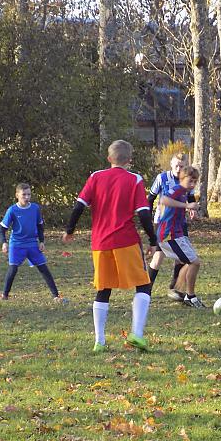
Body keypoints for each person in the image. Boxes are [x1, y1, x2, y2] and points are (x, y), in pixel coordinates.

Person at [62, 140, 158, 353]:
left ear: (109, 159)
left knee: (103, 289)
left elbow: (79, 205)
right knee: (143, 284)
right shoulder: (134, 179)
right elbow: (143, 213)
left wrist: (70, 230)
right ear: (129, 160)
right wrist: (153, 240)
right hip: (126, 241)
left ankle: (100, 341)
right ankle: (137, 335)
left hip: (100, 243)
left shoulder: (96, 177)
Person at [0, 183, 63, 301]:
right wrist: (4, 242)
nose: (26, 197)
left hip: (32, 244)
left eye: (28, 194)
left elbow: (40, 226)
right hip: (17, 244)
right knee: (13, 269)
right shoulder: (12, 210)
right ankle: (5, 295)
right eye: (24, 195)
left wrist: (42, 241)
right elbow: (2, 229)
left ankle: (56, 296)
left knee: (44, 269)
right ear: (17, 195)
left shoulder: (35, 208)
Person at [147, 153, 197, 301]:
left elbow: (190, 198)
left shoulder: (187, 180)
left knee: (181, 257)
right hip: (163, 223)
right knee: (158, 256)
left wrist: (192, 209)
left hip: (180, 224)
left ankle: (175, 288)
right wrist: (149, 219)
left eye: (181, 166)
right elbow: (151, 198)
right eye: (176, 165)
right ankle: (147, 290)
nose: (178, 168)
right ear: (171, 164)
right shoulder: (162, 178)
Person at [155, 166, 204, 307]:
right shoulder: (177, 190)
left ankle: (182, 290)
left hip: (178, 234)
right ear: (182, 178)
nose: (193, 184)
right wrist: (187, 206)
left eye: (195, 181)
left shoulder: (183, 192)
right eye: (190, 181)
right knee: (194, 262)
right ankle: (190, 297)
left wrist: (191, 212)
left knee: (192, 261)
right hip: (169, 234)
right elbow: (164, 200)